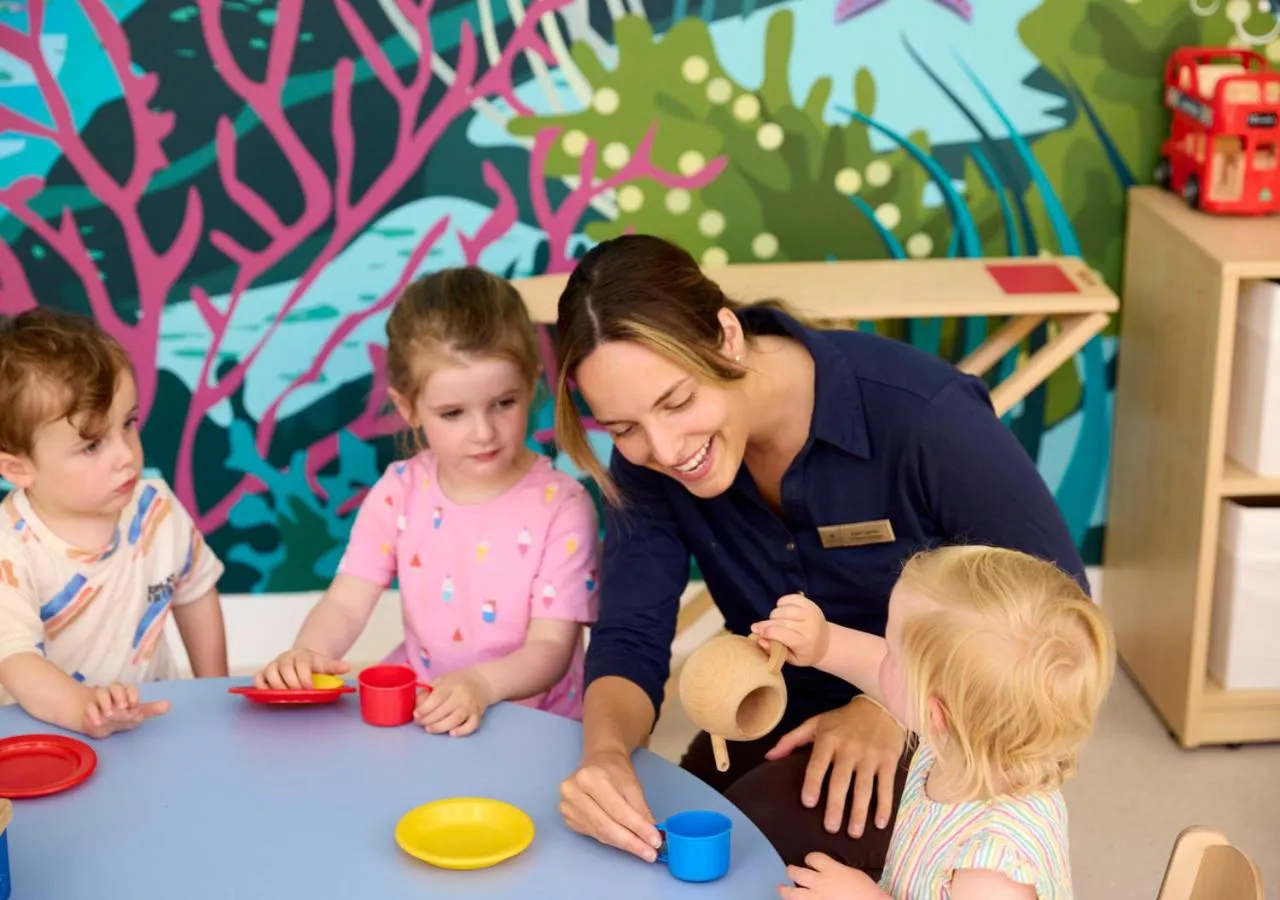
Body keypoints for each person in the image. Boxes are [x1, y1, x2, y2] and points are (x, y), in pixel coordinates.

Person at [551, 235, 1089, 873]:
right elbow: (631, 633)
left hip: (948, 726)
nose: (664, 450)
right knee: (664, 830)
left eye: (678, 401)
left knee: (748, 853)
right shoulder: (648, 456)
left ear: (725, 335)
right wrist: (605, 752)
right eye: (623, 428)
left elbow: (1060, 618)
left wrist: (890, 707)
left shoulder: (924, 417)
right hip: (779, 705)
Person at [256, 267, 600, 736]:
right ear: (408, 408)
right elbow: (346, 603)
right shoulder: (400, 490)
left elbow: (552, 648)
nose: (483, 432)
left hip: (535, 726)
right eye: (453, 413)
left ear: (532, 382)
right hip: (426, 713)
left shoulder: (564, 506)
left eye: (504, 402)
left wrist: (481, 683)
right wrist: (308, 652)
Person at [762, 545, 1114, 899]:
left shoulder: (992, 864)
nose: (883, 654)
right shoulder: (961, 738)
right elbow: (884, 675)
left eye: (894, 652)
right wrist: (825, 644)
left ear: (934, 712)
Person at [0, 308, 228, 739]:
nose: (126, 455)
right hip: (49, 735)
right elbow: (16, 661)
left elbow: (195, 593)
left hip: (148, 720)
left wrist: (213, 690)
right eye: (91, 446)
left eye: (128, 424)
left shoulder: (155, 508)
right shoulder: (10, 550)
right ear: (19, 468)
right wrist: (83, 707)